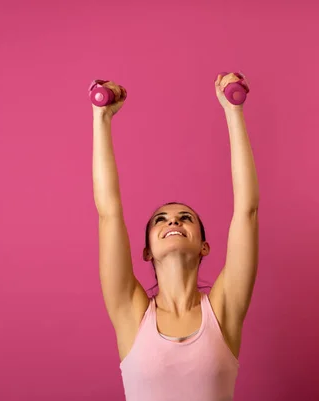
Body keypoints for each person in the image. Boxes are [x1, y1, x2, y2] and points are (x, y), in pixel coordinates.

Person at [91, 73, 259, 401]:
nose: (174, 221)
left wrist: (232, 111)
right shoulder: (131, 312)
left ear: (204, 246)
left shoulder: (224, 309)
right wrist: (101, 118)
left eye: (186, 218)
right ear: (146, 251)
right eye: (161, 219)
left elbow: (247, 211)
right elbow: (108, 213)